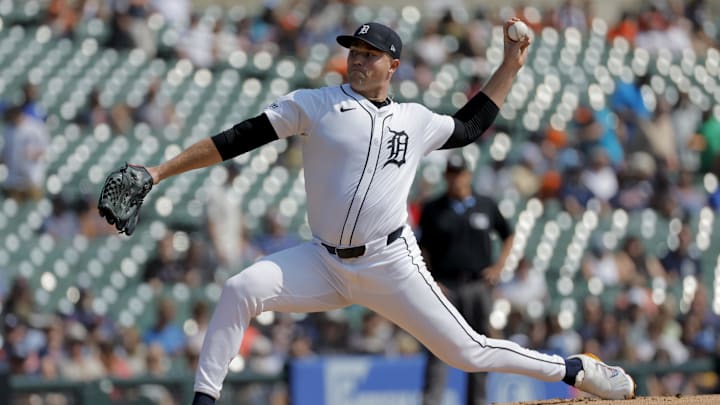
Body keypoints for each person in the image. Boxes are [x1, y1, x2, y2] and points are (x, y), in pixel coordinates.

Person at [136, 20, 634, 403]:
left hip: (390, 263)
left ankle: (573, 370)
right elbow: (238, 138)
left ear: (392, 65)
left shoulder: (414, 119)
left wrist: (510, 65)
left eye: (369, 54)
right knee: (239, 289)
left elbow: (469, 126)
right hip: (324, 262)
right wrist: (159, 172)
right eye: (354, 51)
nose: (357, 59)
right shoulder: (316, 104)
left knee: (468, 352)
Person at [419, 153, 515, 405]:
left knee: (481, 347)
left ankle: (479, 401)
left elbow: (508, 234)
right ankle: (432, 401)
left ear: (468, 175)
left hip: (477, 285)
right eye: (451, 174)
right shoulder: (433, 209)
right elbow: (422, 249)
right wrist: (430, 280)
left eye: (459, 173)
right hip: (445, 286)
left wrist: (498, 267)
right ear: (445, 177)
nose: (455, 179)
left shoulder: (486, 205)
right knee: (438, 345)